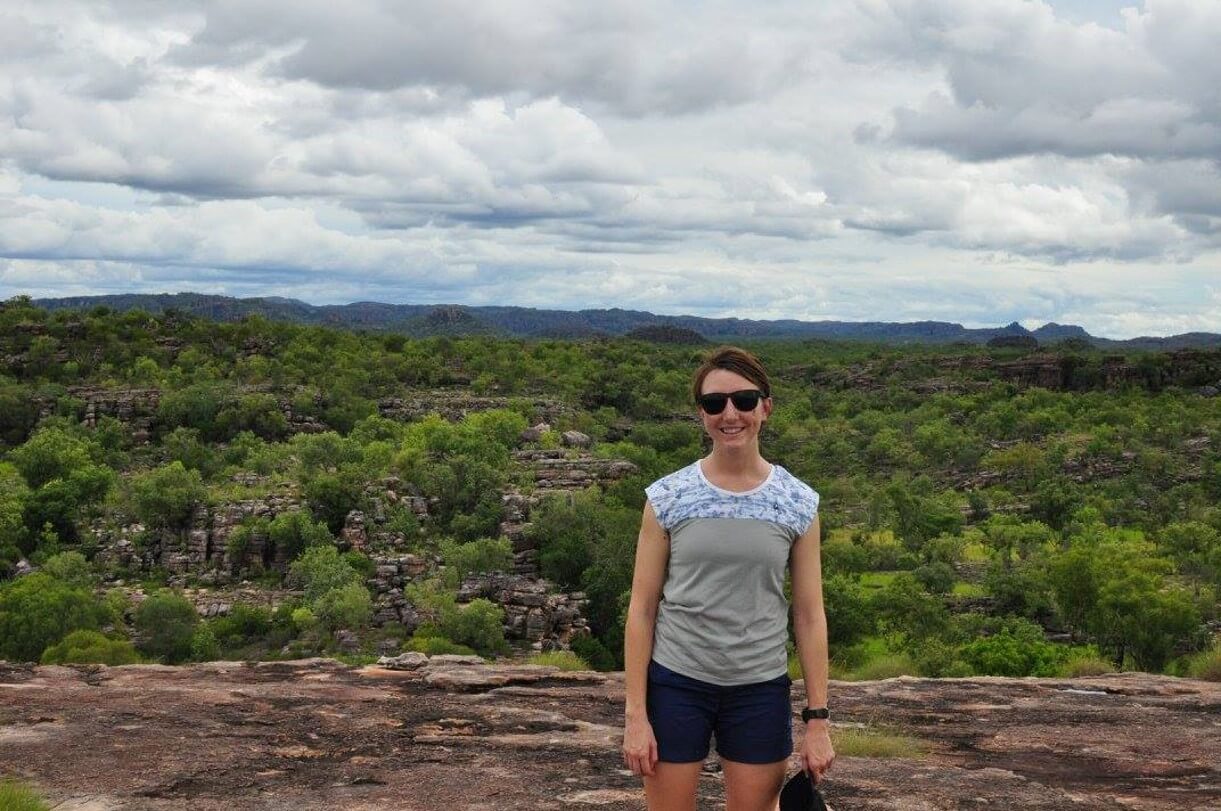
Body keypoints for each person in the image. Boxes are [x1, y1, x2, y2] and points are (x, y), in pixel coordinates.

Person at [621, 346, 835, 811]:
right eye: (715, 403)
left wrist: (817, 720)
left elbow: (809, 614)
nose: (730, 414)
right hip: (677, 682)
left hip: (759, 687)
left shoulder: (798, 502)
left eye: (744, 400)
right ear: (701, 414)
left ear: (766, 407)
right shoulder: (668, 497)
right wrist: (636, 715)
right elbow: (642, 609)